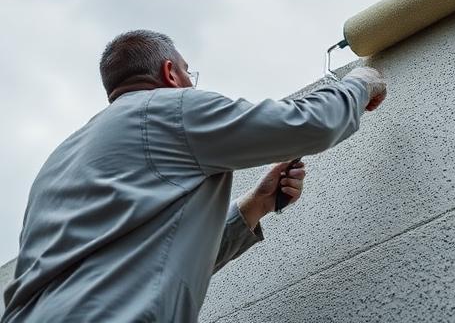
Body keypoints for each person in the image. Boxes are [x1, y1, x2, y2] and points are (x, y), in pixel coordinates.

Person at [1, 30, 387, 322]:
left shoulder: (59, 160)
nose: (191, 82)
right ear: (171, 73)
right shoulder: (169, 109)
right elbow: (310, 124)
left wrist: (253, 207)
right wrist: (359, 82)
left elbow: (141, 265)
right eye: (188, 72)